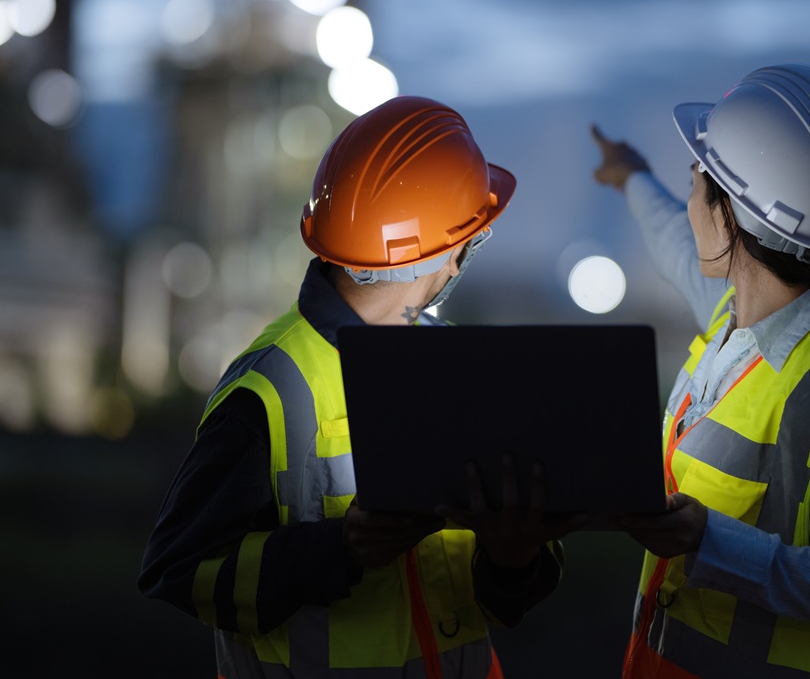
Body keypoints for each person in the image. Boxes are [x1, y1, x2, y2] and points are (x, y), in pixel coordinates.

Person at [139, 95, 569, 679]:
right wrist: (340, 549)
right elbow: (180, 569)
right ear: (447, 252)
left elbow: (503, 598)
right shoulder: (267, 390)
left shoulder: (456, 366)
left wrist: (515, 556)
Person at [590, 64, 810, 679]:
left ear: (729, 216)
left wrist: (704, 540)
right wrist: (630, 175)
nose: (689, 201)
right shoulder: (734, 316)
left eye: (696, 180)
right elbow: (671, 237)